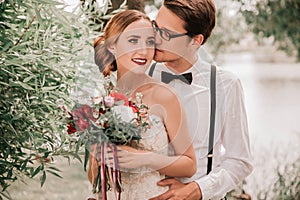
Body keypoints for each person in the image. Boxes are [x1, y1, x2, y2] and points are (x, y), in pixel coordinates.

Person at [147, 0, 253, 200]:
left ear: (195, 40)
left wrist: (198, 189)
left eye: (166, 34)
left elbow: (239, 161)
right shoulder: (141, 76)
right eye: (155, 27)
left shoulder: (226, 85)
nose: (155, 38)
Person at [88, 9, 196, 200]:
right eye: (133, 41)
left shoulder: (165, 96)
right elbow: (92, 178)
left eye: (150, 42)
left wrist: (146, 159)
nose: (144, 51)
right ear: (113, 46)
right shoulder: (101, 99)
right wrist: (98, 155)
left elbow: (189, 166)